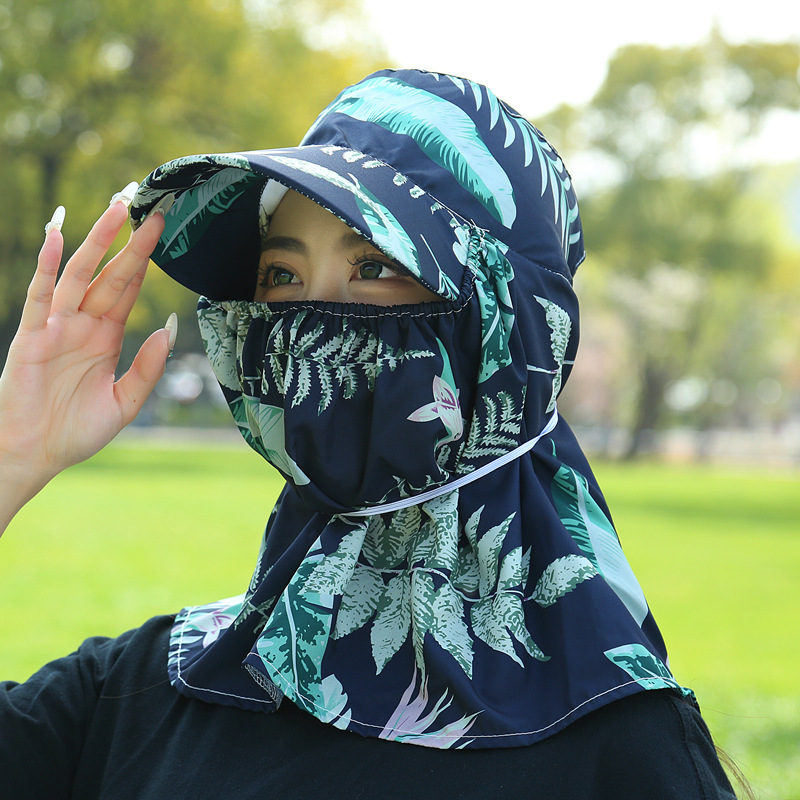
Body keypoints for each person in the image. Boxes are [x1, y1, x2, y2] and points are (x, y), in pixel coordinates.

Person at [0, 69, 739, 798]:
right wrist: (11, 455)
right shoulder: (141, 692)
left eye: (374, 265)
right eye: (281, 274)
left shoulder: (618, 749)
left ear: (505, 325)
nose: (308, 317)